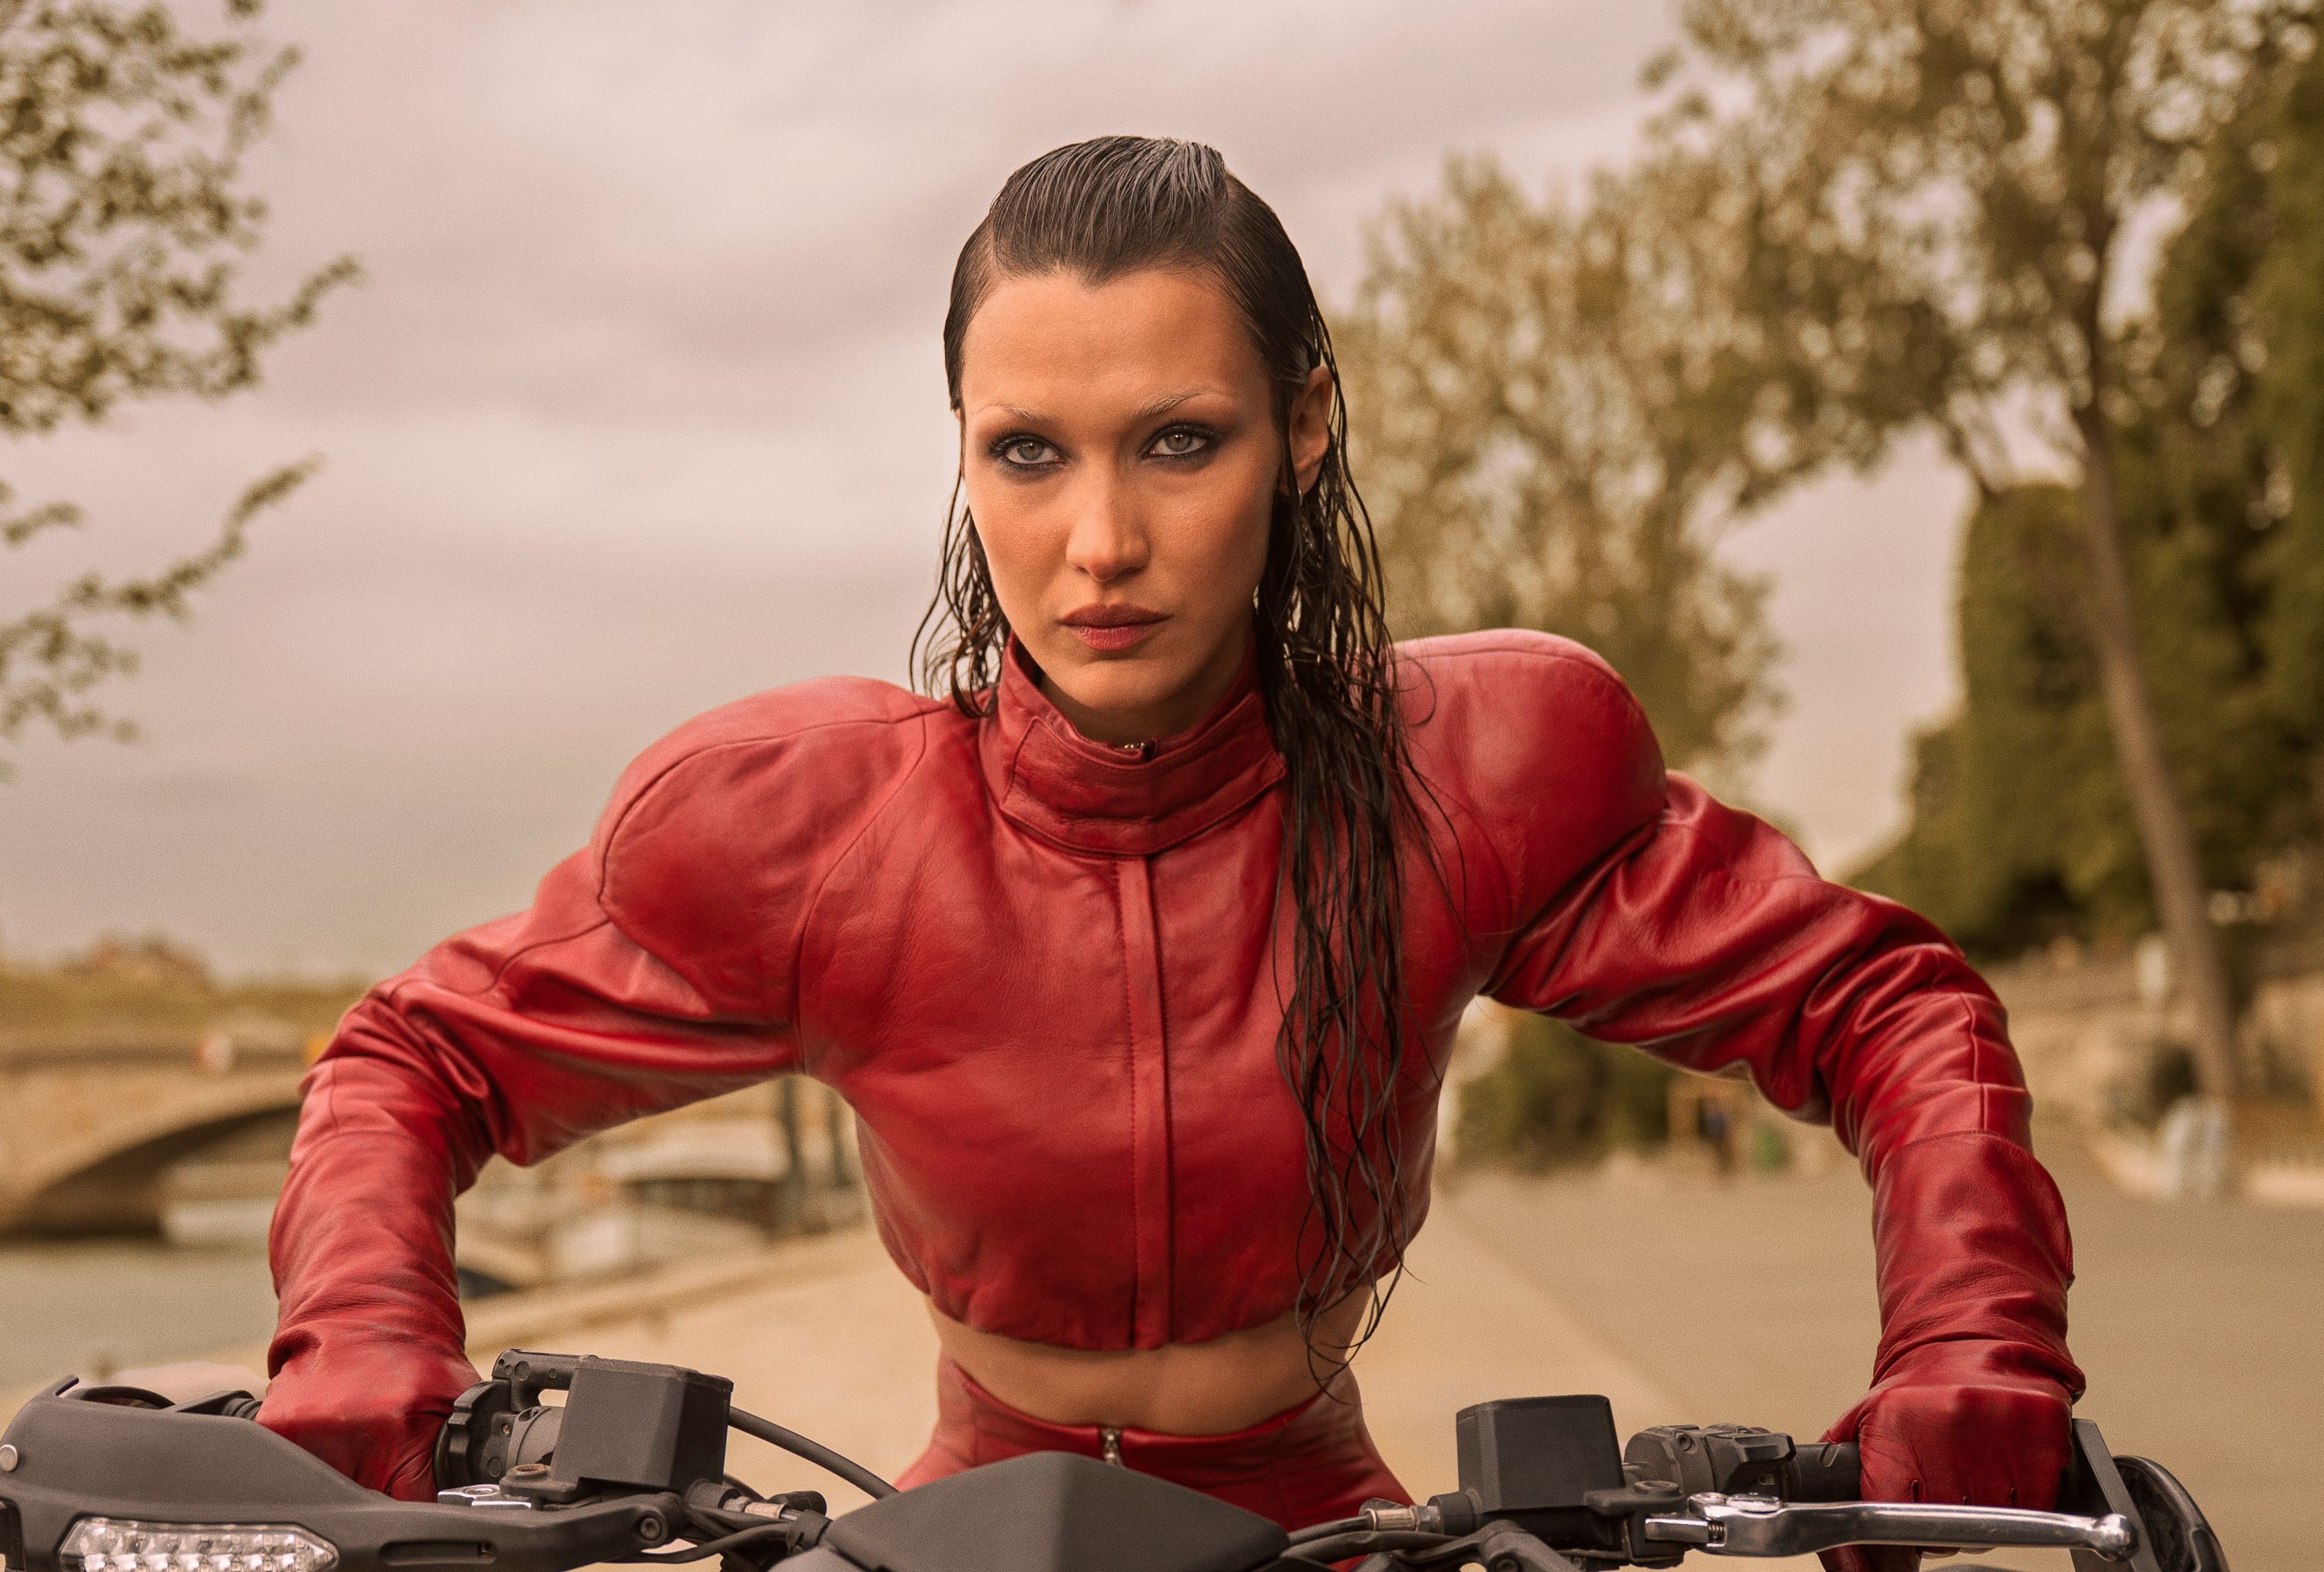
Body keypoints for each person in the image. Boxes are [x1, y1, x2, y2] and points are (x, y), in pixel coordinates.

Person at [256, 137, 2081, 1569]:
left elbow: (1882, 1005)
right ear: (964, 457)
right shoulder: (804, 829)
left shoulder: (1481, 771)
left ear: (1303, 431)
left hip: (1336, 1519)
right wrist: (360, 1338)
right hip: (950, 1516)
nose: (1100, 540)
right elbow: (415, 1058)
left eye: (1180, 442)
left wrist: (1971, 1347)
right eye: (1030, 453)